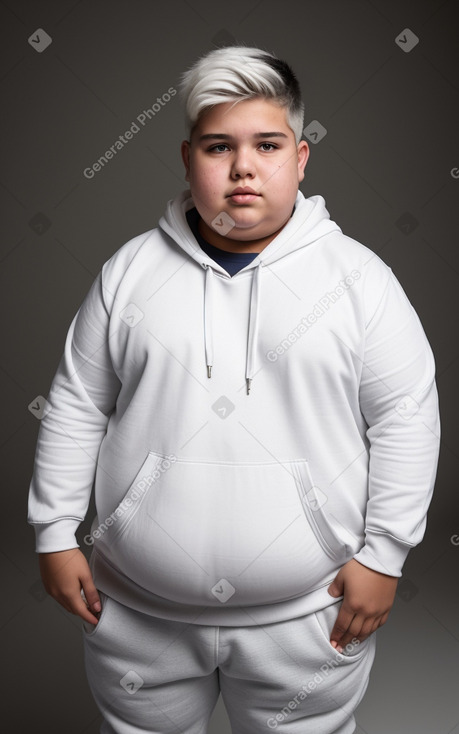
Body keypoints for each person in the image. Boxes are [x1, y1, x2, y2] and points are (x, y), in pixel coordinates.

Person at [28, 45, 440, 734]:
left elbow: (405, 418)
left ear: (301, 158)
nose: (243, 166)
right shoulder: (128, 272)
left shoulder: (360, 280)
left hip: (309, 613)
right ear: (188, 157)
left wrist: (385, 554)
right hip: (136, 611)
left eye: (267, 144)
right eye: (219, 146)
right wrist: (52, 533)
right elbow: (76, 403)